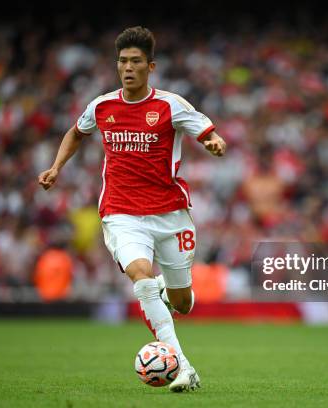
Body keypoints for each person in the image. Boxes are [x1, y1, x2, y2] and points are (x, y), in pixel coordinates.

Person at [38, 26, 226, 392]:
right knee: (139, 275)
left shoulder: (170, 105)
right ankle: (182, 367)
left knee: (183, 302)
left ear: (150, 67)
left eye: (136, 61)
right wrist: (56, 167)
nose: (128, 67)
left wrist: (215, 143)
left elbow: (207, 132)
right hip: (121, 213)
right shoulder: (102, 106)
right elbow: (76, 133)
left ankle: (161, 290)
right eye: (122, 61)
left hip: (170, 213)